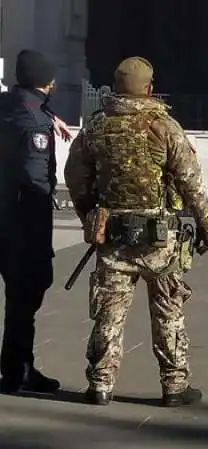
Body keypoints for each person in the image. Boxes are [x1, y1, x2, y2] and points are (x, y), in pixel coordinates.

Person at [64, 57, 208, 407]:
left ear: (115, 87)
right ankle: (174, 386)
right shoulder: (163, 126)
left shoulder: (95, 127)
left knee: (109, 312)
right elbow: (190, 182)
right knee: (168, 311)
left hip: (113, 238)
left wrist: (90, 214)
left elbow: (76, 178)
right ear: (149, 89)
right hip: (160, 240)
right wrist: (206, 224)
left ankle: (101, 384)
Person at [0, 50, 68, 395]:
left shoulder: (9, 105)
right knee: (26, 296)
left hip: (4, 216)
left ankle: (17, 366)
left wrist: (48, 115)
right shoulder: (36, 123)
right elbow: (34, 176)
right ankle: (16, 371)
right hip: (25, 222)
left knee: (18, 296)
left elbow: (22, 110)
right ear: (47, 80)